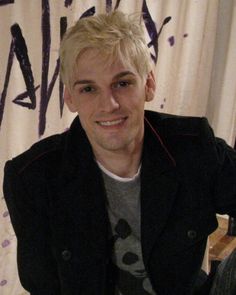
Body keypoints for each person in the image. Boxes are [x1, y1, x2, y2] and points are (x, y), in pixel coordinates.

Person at [3, 11, 236, 295]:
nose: (109, 104)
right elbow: (43, 285)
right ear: (70, 97)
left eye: (122, 83)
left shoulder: (194, 146)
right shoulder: (32, 178)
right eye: (89, 89)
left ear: (148, 84)